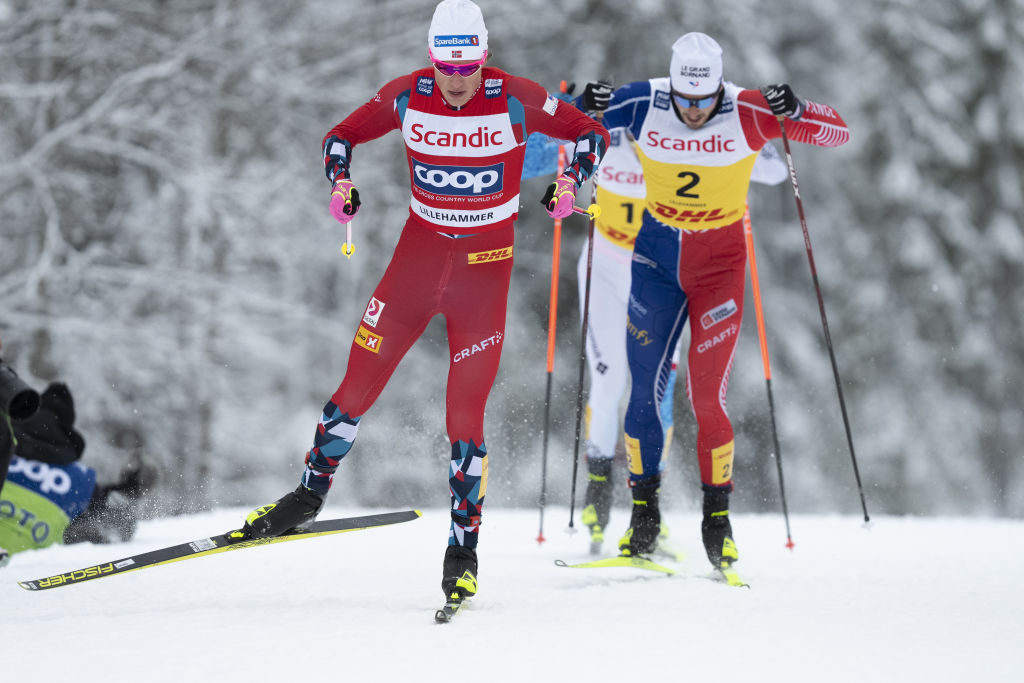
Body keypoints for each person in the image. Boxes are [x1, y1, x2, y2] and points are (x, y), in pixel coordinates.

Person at [234, 0, 608, 608]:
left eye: (466, 67)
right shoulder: (408, 95)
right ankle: (306, 496)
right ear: (431, 59)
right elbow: (340, 136)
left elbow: (591, 132)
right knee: (355, 386)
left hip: (484, 273)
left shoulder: (515, 95)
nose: (455, 81)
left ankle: (463, 552)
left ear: (483, 59)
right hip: (418, 261)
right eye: (444, 67)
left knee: (464, 413)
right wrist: (341, 183)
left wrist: (571, 182)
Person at [579, 32, 849, 572]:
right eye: (685, 100)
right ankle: (643, 513)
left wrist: (798, 109)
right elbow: (559, 127)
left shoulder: (747, 109)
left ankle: (716, 521)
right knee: (641, 393)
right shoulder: (643, 100)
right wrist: (582, 105)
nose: (695, 112)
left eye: (705, 101)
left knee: (709, 400)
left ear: (720, 89)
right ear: (672, 86)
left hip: (719, 270)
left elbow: (836, 132)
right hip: (654, 263)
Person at [574, 122, 789, 555]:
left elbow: (775, 171)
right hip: (607, 266)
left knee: (658, 390)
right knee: (610, 379)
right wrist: (579, 111)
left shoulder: (684, 150)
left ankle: (650, 504)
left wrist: (756, 133)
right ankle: (597, 487)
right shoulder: (609, 142)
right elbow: (548, 149)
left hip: (658, 274)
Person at [0, 336, 150, 566]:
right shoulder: (79, 482)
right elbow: (120, 523)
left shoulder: (5, 449)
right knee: (89, 529)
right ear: (66, 435)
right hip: (31, 568)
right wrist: (131, 488)